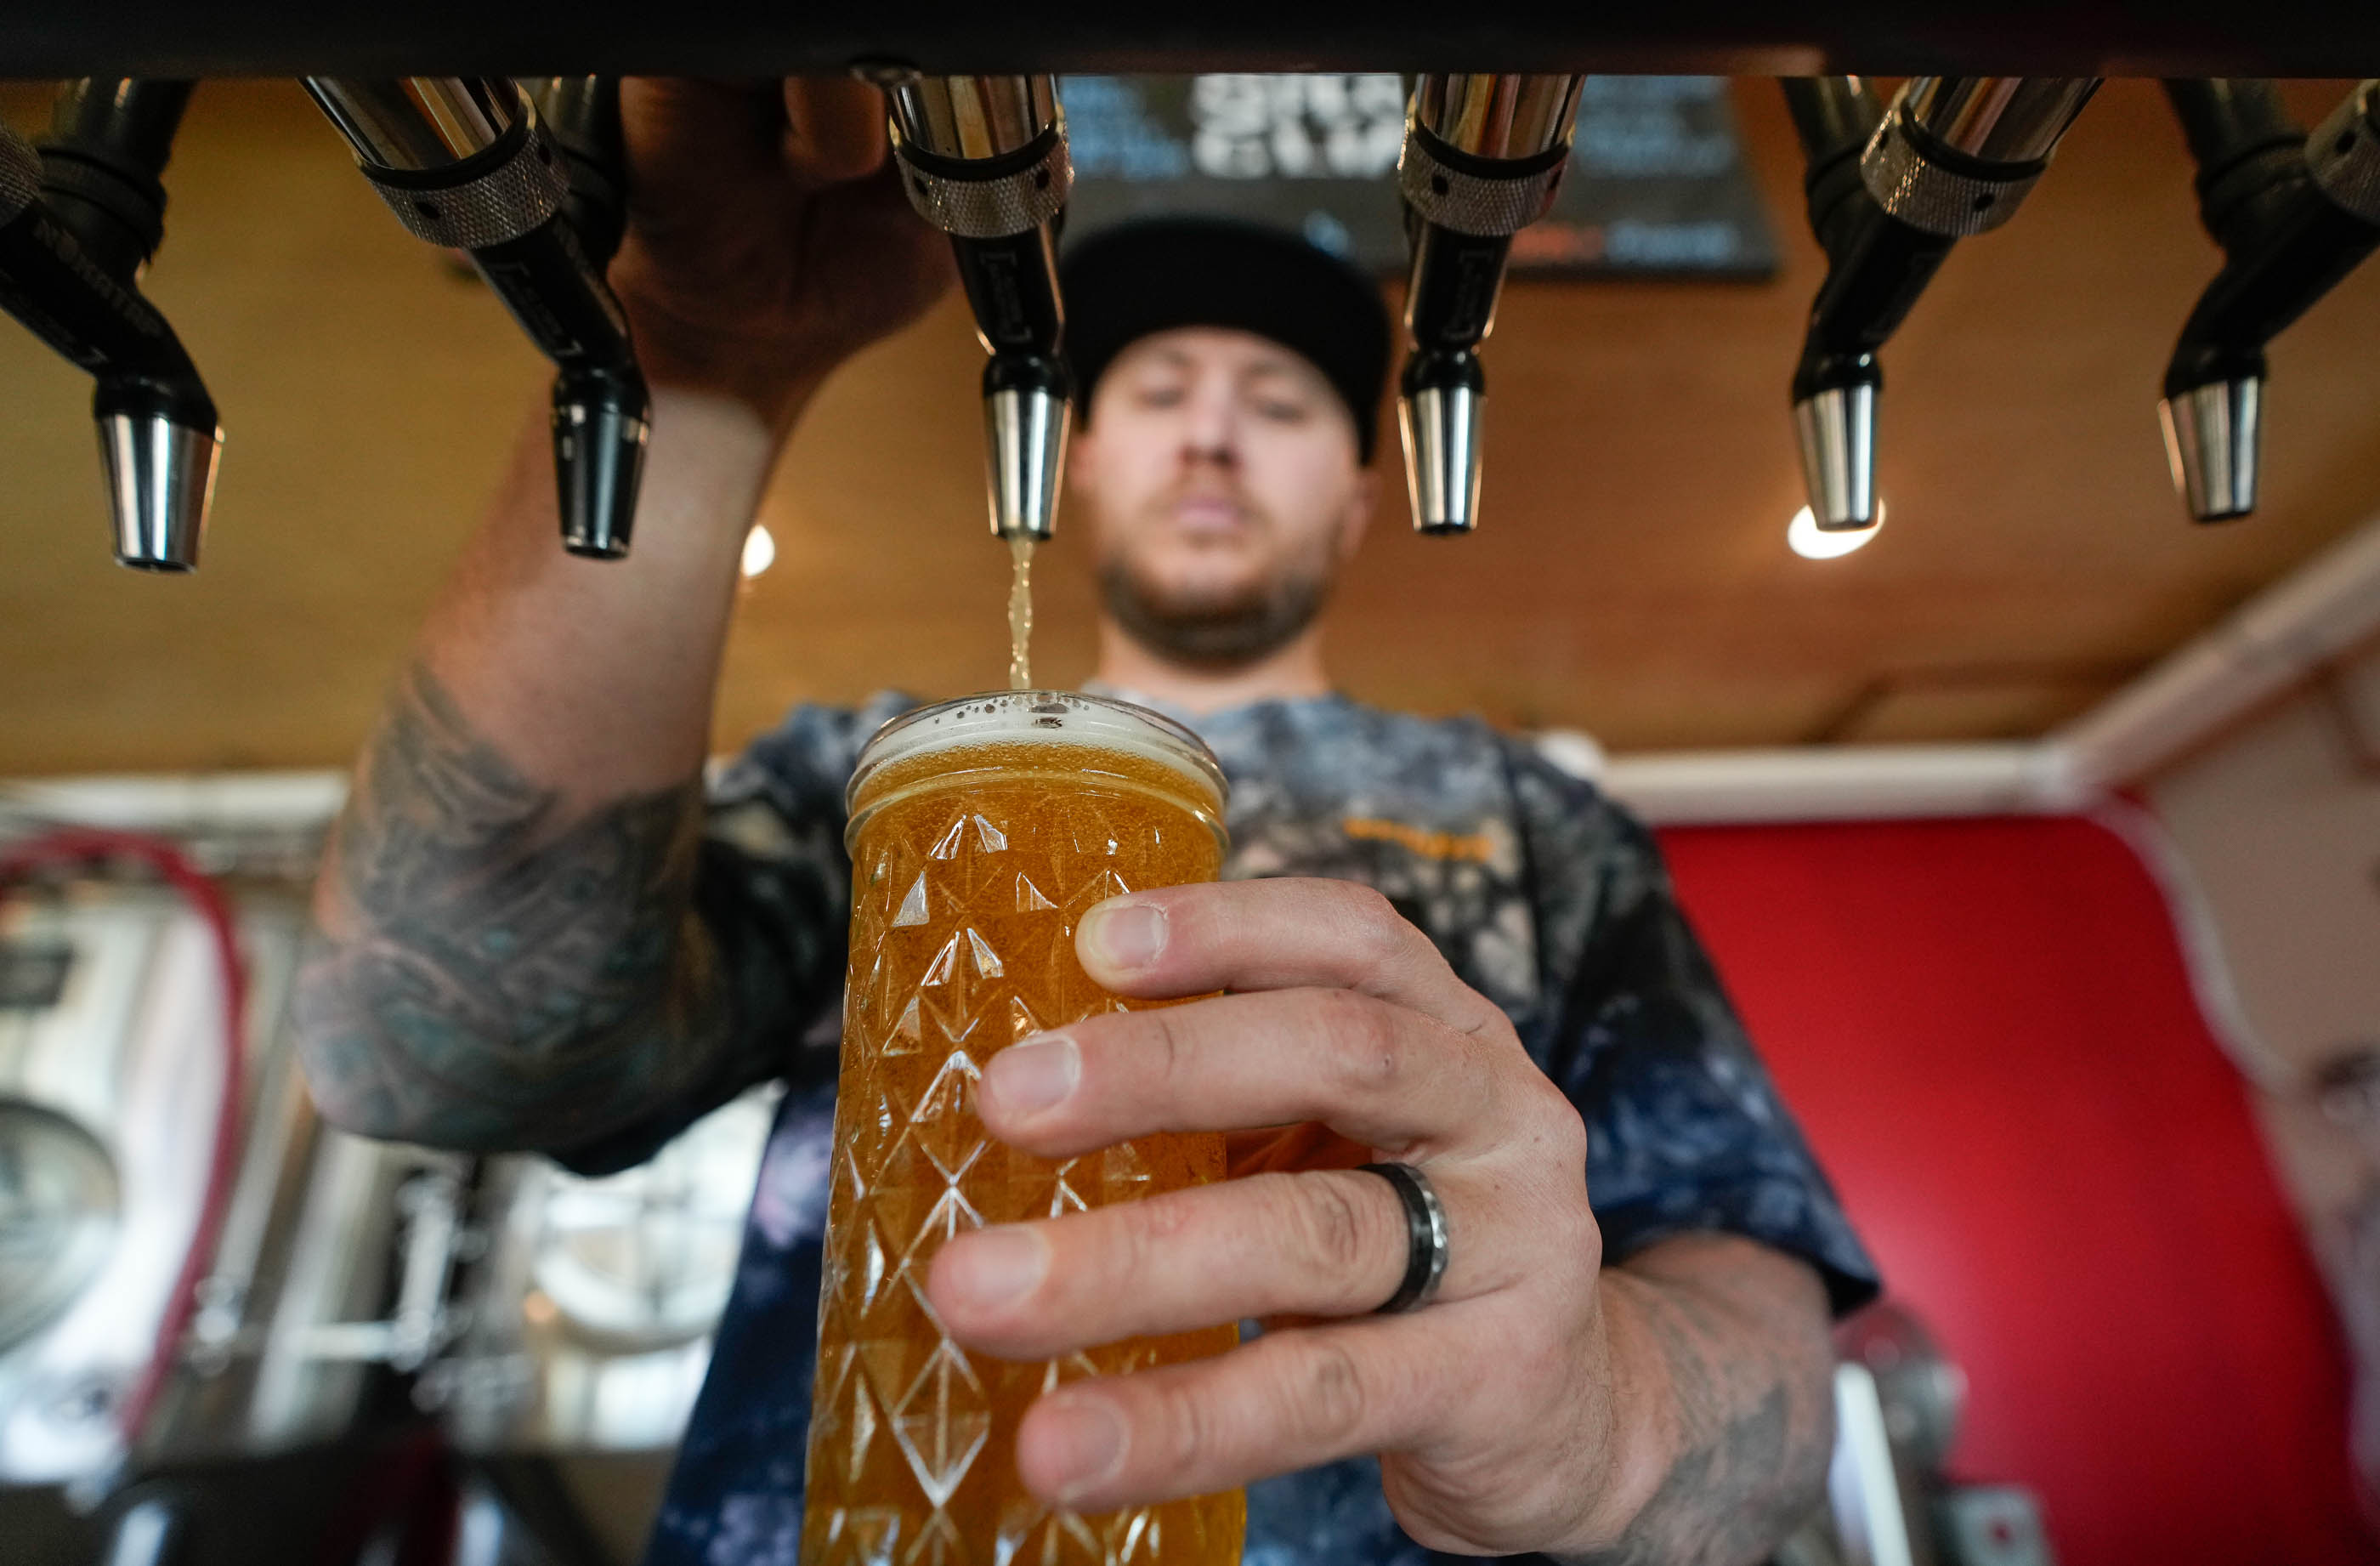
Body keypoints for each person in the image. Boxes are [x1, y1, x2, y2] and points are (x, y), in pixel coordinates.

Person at [293, 78, 1878, 1564]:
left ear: (1354, 495)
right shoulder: (872, 770)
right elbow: (428, 1041)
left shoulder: (1539, 819)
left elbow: (1765, 1338)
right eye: (1161, 390)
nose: (1209, 431)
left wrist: (1612, 1417)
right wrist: (692, 358)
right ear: (1087, 459)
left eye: (1274, 400)